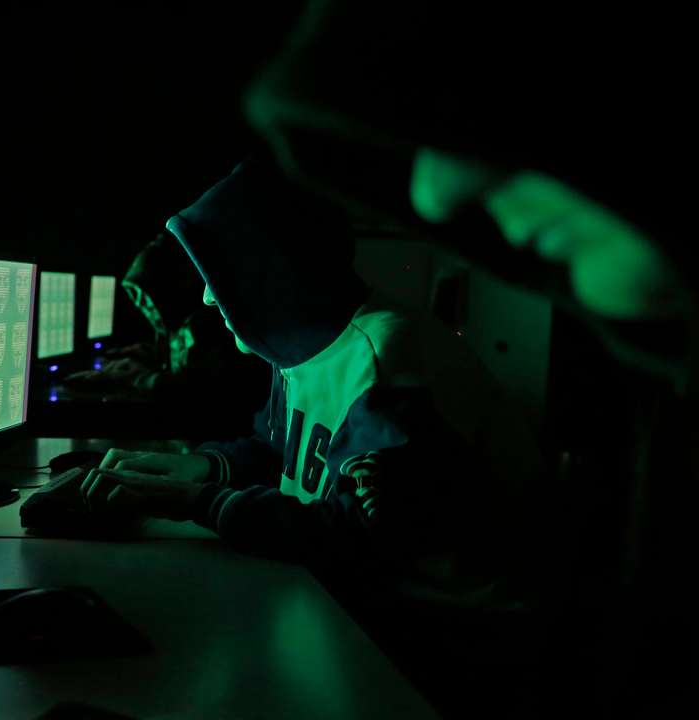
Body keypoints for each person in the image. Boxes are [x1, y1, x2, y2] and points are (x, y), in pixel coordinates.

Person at [239, 3, 696, 716]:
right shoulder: (667, 425)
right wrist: (208, 471)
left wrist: (204, 499)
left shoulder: (382, 352)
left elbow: (368, 536)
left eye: (481, 110)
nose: (430, 196)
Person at [81, 158, 548, 613]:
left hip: (442, 629)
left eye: (216, 271)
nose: (205, 296)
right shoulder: (298, 348)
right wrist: (196, 469)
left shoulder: (384, 355)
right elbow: (278, 451)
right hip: (352, 599)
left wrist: (195, 502)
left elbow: (366, 536)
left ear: (267, 264)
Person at [65, 233, 269, 422]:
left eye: (145, 294)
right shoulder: (182, 323)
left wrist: (140, 376)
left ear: (169, 288)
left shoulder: (207, 328)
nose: (140, 304)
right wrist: (147, 354)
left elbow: (202, 392)